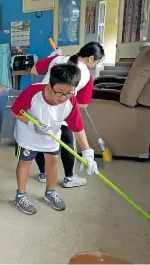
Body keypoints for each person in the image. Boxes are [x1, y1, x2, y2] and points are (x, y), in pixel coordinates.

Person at [11, 64, 99, 215]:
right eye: (59, 92)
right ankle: (20, 195)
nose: (63, 97)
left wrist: (88, 153)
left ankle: (50, 192)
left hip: (51, 134)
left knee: (53, 161)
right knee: (25, 162)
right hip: (28, 135)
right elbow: (15, 111)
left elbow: (78, 128)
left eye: (69, 93)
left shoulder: (71, 102)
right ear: (50, 86)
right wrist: (32, 124)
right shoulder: (33, 92)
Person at [31, 42, 105, 188]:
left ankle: (43, 174)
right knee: (67, 142)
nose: (95, 65)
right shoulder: (87, 76)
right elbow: (83, 104)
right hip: (62, 110)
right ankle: (69, 178)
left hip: (39, 103)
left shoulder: (57, 59)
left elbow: (34, 70)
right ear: (91, 58)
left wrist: (51, 59)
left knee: (39, 138)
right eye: (97, 61)